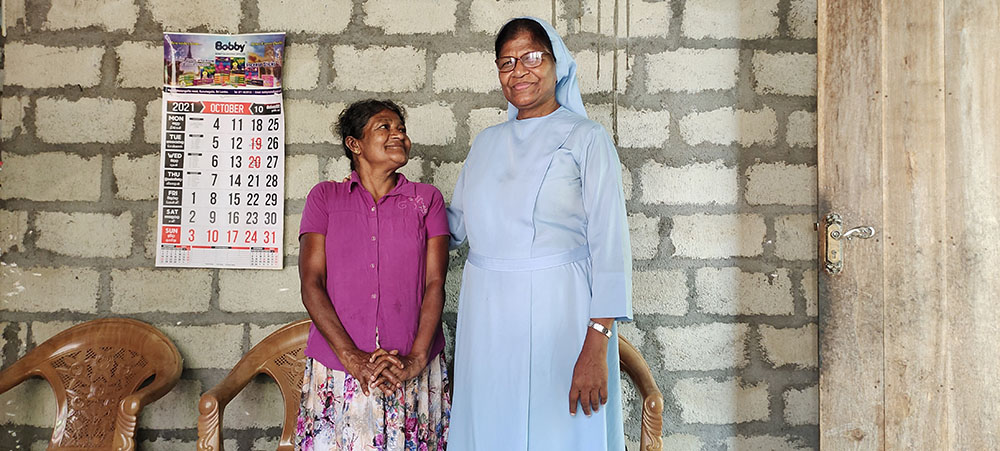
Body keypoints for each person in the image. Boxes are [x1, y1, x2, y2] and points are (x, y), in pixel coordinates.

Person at [447, 17, 633, 450]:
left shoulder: (587, 138)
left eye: (532, 57)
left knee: (559, 430)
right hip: (488, 320)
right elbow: (453, 226)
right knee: (491, 428)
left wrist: (597, 345)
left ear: (557, 64)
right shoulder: (486, 143)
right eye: (507, 61)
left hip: (563, 318)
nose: (519, 70)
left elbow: (610, 246)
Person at [295, 100, 451, 450]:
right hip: (339, 369)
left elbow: (435, 283)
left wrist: (416, 358)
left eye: (402, 128)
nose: (398, 134)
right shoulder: (325, 198)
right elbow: (311, 284)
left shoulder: (426, 200)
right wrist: (352, 357)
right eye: (385, 127)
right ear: (355, 144)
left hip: (410, 370)